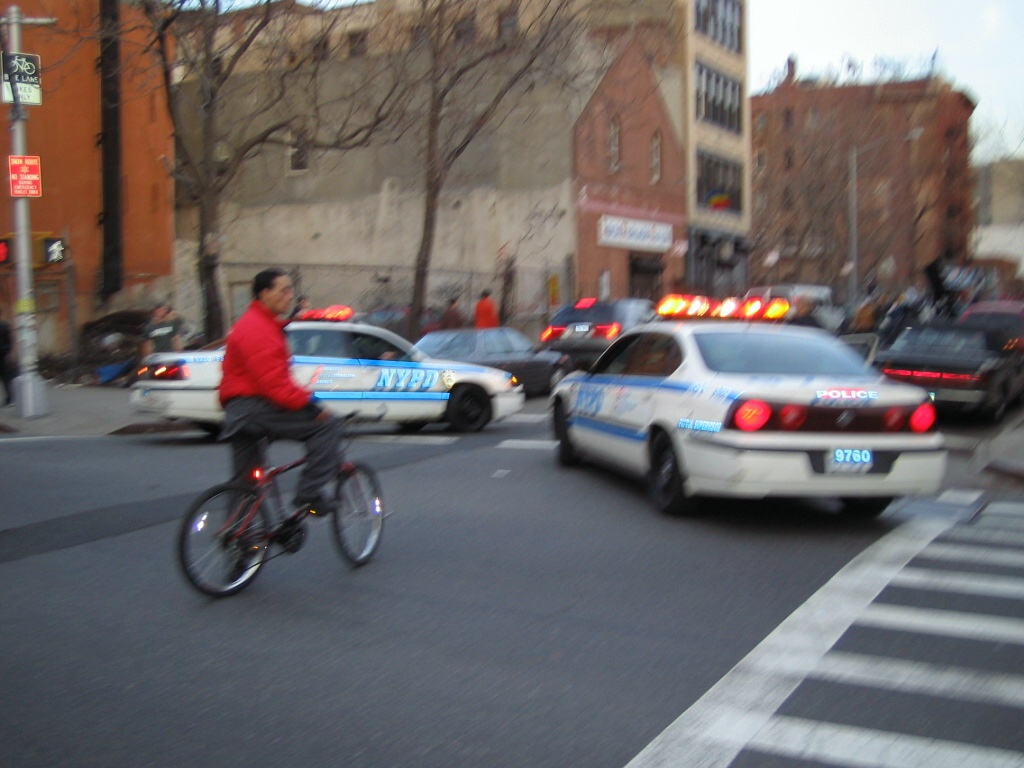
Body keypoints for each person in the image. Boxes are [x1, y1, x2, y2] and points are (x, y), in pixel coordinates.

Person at [218, 268, 343, 515]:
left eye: (291, 291)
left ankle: (236, 533)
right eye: (284, 290)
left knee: (245, 483)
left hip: (239, 411)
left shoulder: (257, 324)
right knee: (327, 426)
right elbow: (274, 384)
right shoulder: (258, 328)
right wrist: (311, 405)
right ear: (264, 294)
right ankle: (309, 494)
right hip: (254, 407)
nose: (290, 296)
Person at [0, 305, 14, 406]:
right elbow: (9, 342)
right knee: (6, 378)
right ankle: (10, 398)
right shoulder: (5, 326)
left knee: (5, 378)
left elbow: (9, 341)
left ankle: (10, 398)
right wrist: (6, 351)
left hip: (2, 355)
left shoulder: (4, 326)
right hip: (3, 355)